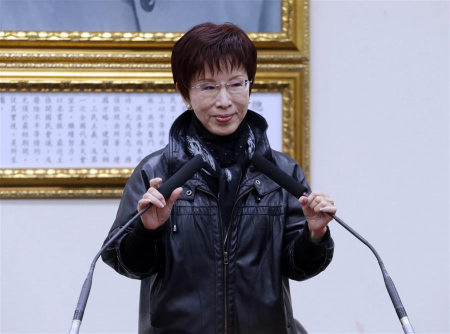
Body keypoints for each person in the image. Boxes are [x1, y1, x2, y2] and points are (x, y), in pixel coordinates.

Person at [102, 22, 336, 334]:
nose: (224, 100)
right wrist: (147, 231)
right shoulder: (156, 171)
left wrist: (315, 235)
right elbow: (124, 261)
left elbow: (299, 266)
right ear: (185, 93)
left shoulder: (281, 172)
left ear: (250, 86)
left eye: (236, 84)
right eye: (208, 86)